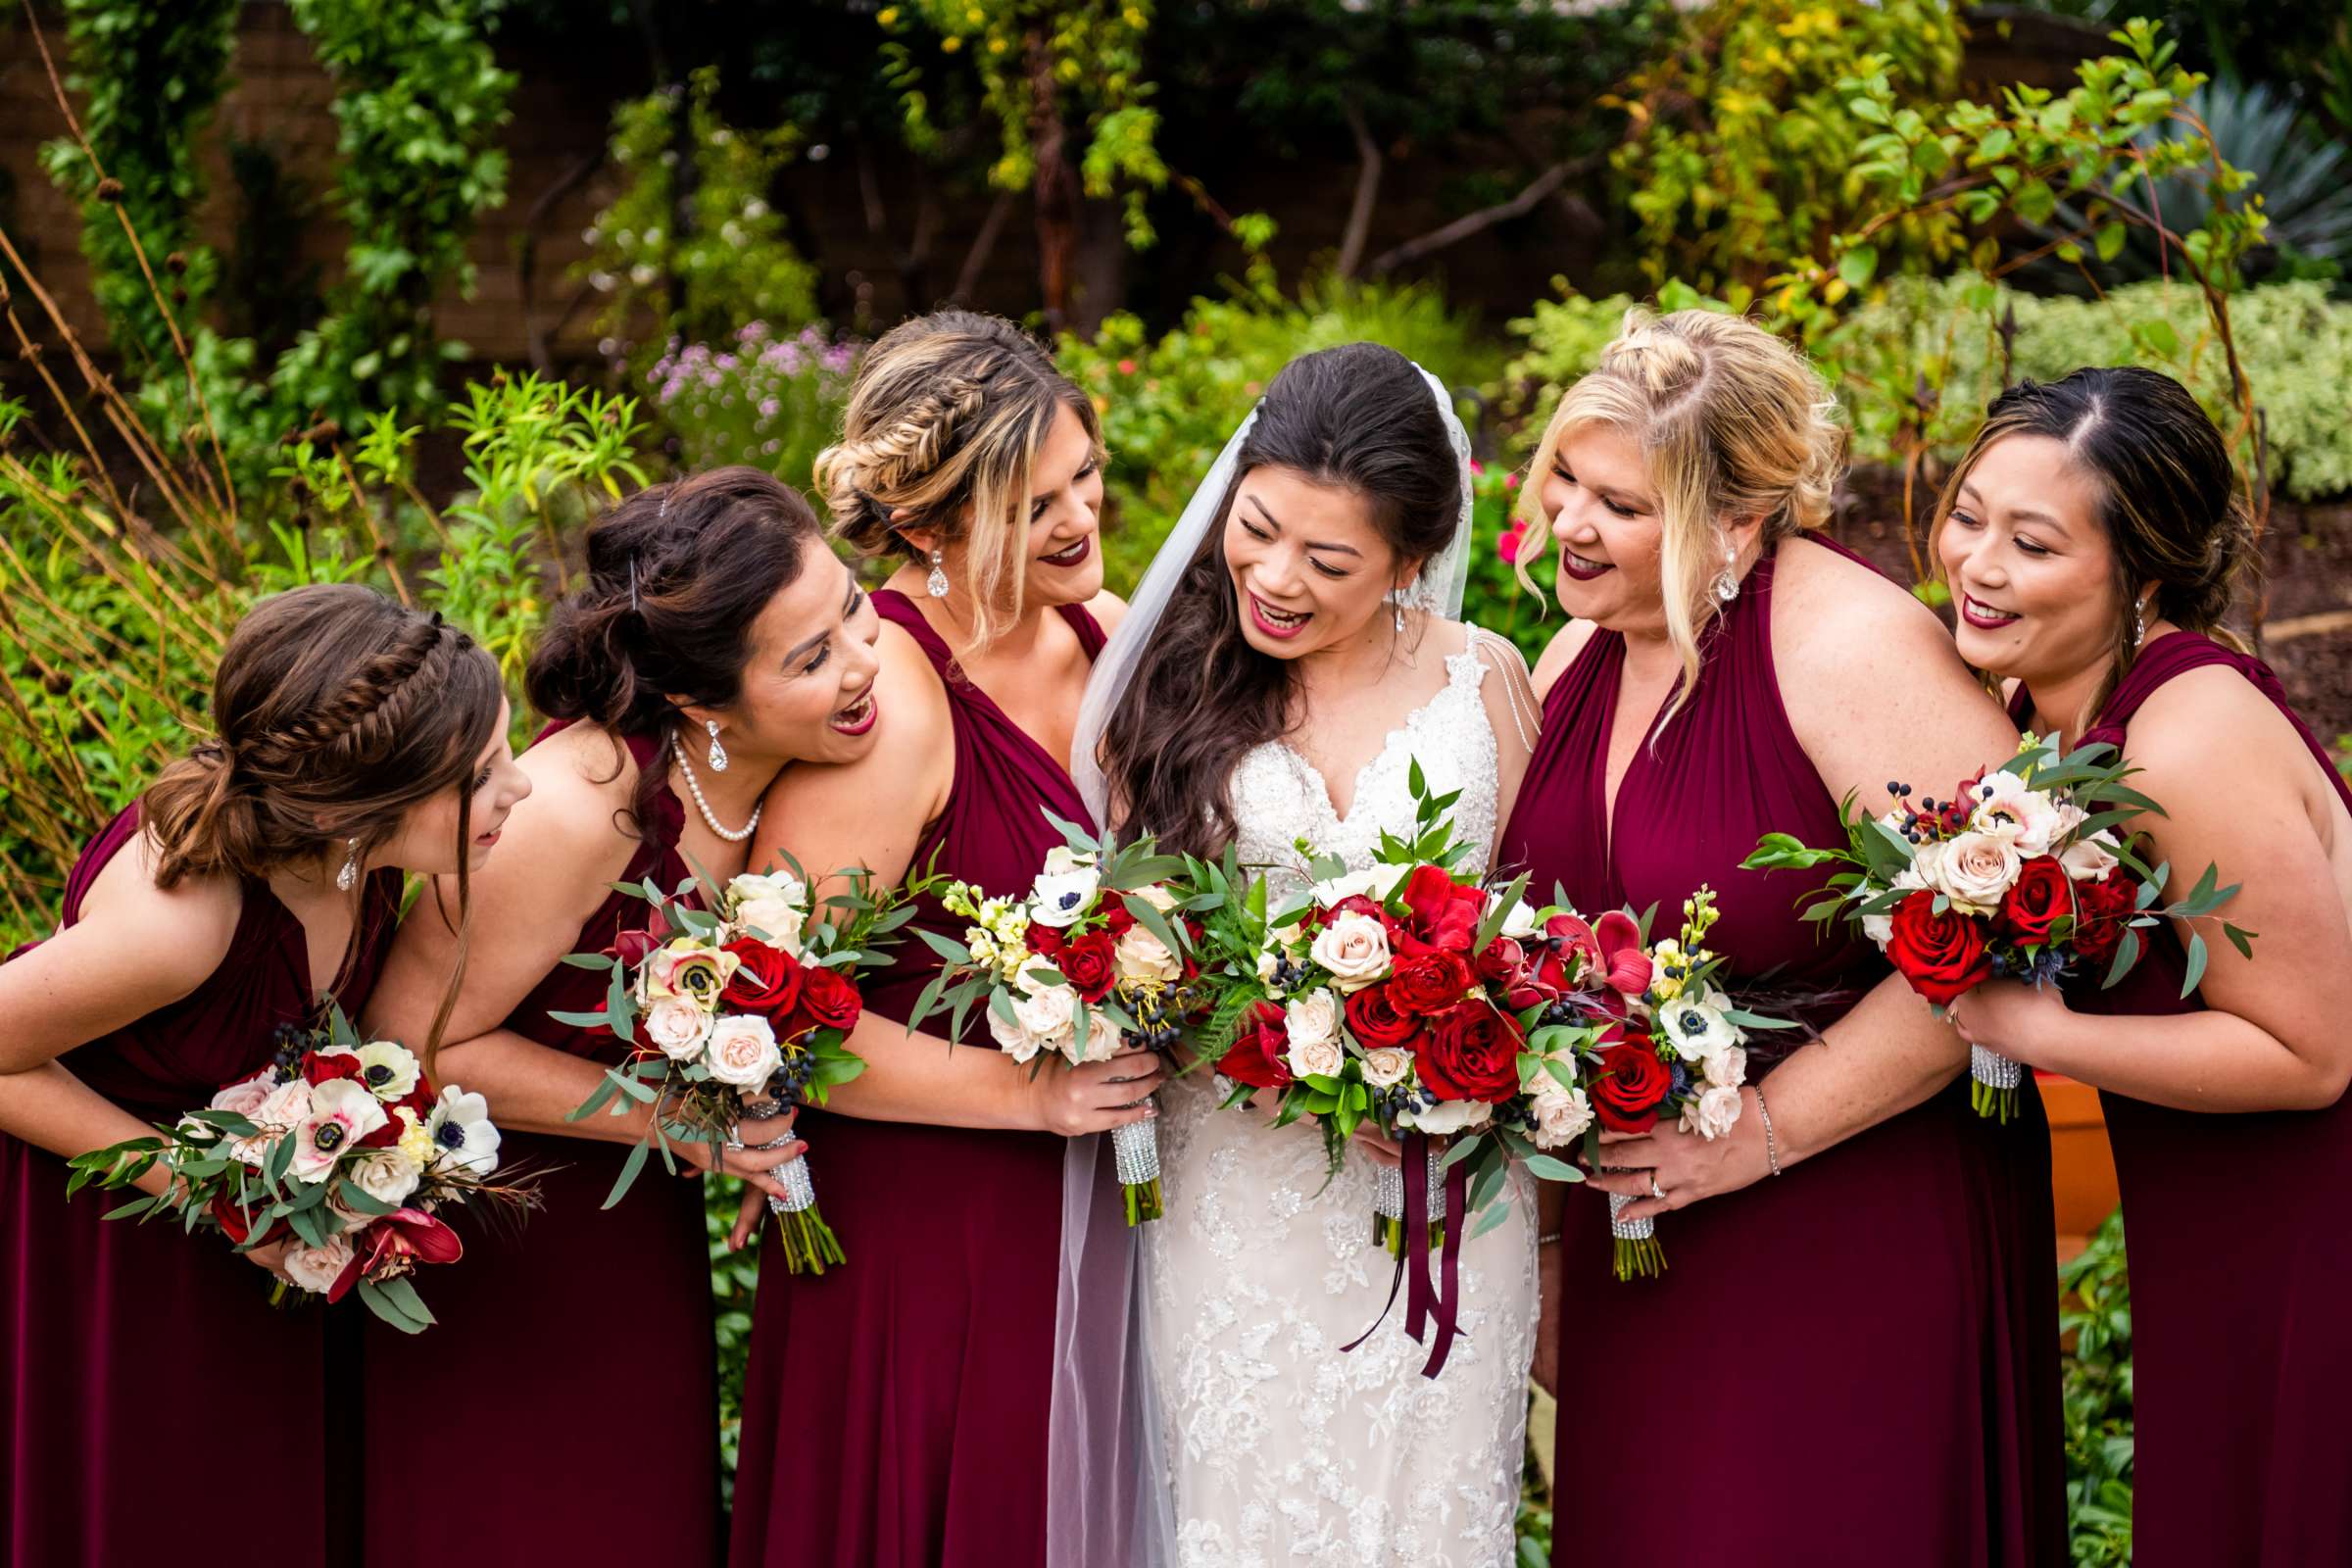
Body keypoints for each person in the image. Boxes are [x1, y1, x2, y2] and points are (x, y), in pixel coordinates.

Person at [1500, 309, 2065, 1565]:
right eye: (1568, 483)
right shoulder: (1574, 651)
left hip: (1847, 1219)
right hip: (1641, 1232)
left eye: (1624, 505)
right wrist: (1544, 1248)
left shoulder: (1853, 649)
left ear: (1737, 526)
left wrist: (1760, 1136)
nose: (1574, 525)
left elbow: (1989, 953)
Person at [1075, 340, 1544, 1567]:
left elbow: (1541, 941)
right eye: (1258, 528)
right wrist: (1279, 1059)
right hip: (1236, 1201)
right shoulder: (1166, 691)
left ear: (1409, 560)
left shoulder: (1484, 681)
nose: (1275, 579)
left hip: (1448, 1205)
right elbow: (1131, 961)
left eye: (1328, 561)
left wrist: (1461, 1065)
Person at [360, 468, 866, 1565]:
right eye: (813, 657)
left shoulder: (792, 778)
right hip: (509, 1246)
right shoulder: (578, 807)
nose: (863, 667)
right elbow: (410, 1045)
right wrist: (687, 1124)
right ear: (700, 700)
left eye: (855, 612)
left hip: (635, 1243)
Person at [728, 312, 1157, 1568]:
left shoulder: (1100, 629)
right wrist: (1028, 1098)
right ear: (926, 528)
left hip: (1097, 1197)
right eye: (1033, 506)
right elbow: (774, 1005)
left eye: (1084, 475)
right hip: (935, 1232)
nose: (1080, 518)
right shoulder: (898, 704)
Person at [0, 583, 521, 1568]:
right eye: (482, 774)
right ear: (361, 804)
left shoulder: (349, 855)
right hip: (110, 1243)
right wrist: (220, 1201)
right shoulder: (178, 928)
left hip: (241, 1252)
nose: (518, 789)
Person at [1938, 367, 2352, 1567]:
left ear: (2144, 567)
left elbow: (2313, 1051)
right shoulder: (2042, 708)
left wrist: (2031, 1026)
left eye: (2032, 541)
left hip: (2309, 1220)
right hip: (2205, 1211)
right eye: (1969, 515)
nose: (1977, 563)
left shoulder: (2187, 736)